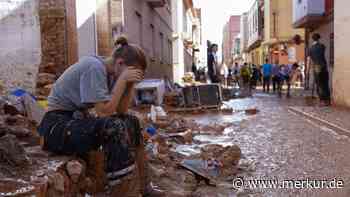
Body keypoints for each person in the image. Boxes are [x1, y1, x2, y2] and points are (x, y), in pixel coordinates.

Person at [37, 37, 163, 196]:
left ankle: (145, 187)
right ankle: (123, 193)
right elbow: (104, 113)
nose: (130, 76)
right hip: (55, 126)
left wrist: (129, 84)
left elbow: (122, 110)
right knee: (113, 126)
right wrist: (123, 80)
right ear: (120, 63)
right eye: (131, 72)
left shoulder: (112, 73)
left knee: (131, 121)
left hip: (74, 121)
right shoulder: (94, 67)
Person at [307, 33, 331, 106]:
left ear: (312, 39)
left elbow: (309, 60)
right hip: (324, 66)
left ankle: (322, 100)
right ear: (319, 38)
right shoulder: (322, 46)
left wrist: (307, 71)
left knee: (319, 84)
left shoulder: (310, 48)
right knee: (325, 84)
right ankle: (327, 100)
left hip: (316, 67)